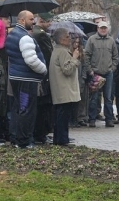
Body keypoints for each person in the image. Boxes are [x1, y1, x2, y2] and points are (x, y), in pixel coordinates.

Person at [5, 11, 47, 149]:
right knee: (26, 110)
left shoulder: (12, 34)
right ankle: (24, 141)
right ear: (22, 20)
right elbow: (31, 60)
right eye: (30, 19)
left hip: (16, 77)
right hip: (26, 80)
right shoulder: (24, 37)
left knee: (19, 108)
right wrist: (43, 69)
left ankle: (16, 138)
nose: (33, 21)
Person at [49, 28, 81, 146]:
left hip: (60, 89)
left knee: (60, 115)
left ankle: (59, 139)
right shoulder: (62, 52)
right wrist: (74, 58)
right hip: (64, 89)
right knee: (63, 116)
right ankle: (62, 139)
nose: (70, 39)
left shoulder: (56, 50)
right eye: (67, 37)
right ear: (62, 39)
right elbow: (67, 70)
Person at [84, 20, 118, 128]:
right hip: (95, 73)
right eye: (101, 28)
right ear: (98, 29)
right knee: (94, 98)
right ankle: (92, 119)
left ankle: (109, 119)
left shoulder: (111, 40)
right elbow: (86, 55)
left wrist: (112, 68)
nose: (103, 30)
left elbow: (115, 57)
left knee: (108, 98)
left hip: (108, 73)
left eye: (105, 28)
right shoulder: (91, 39)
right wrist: (90, 70)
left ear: (107, 29)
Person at [32, 13, 55, 144]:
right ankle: (41, 134)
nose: (50, 24)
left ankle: (40, 133)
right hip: (43, 75)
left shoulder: (34, 33)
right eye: (48, 21)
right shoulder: (41, 35)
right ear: (41, 21)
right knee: (43, 106)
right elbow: (48, 56)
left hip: (38, 75)